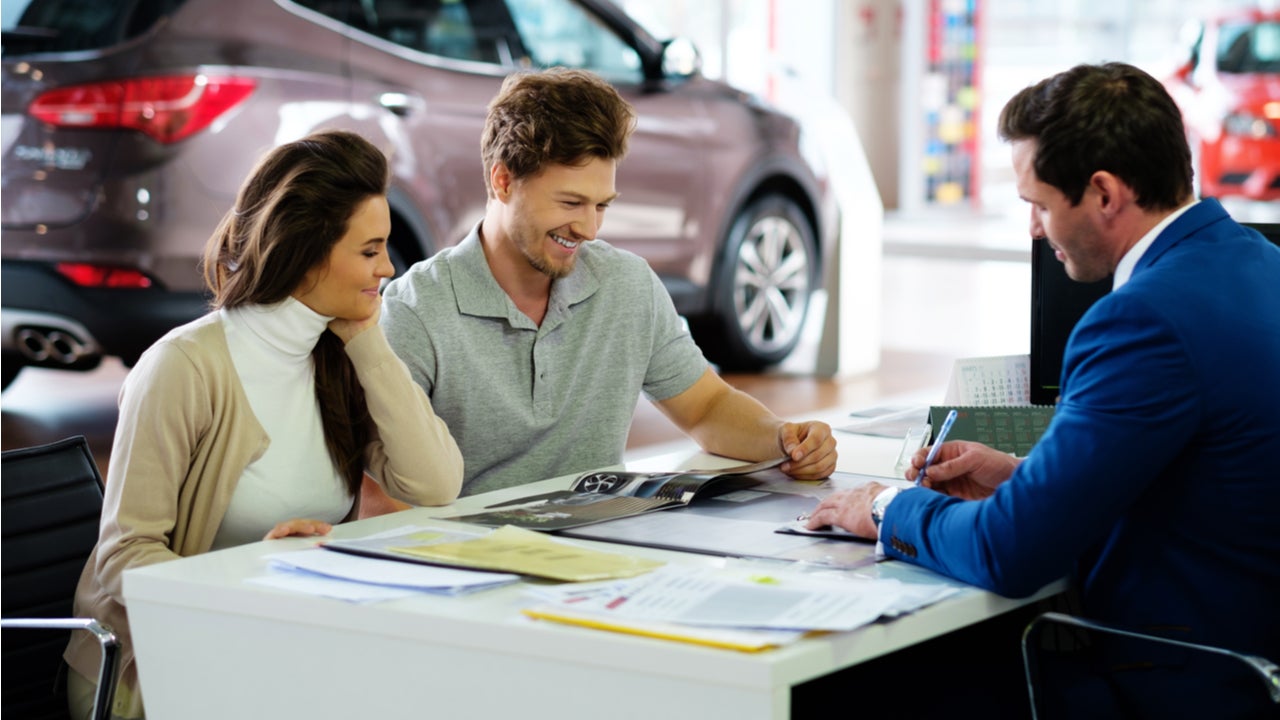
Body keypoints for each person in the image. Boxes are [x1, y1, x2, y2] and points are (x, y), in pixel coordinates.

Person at [806, 62, 1280, 718]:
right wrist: (1024, 477)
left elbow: (1011, 552)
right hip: (1253, 647)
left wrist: (888, 508)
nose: (1032, 227)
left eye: (1038, 203)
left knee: (866, 688)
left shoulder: (1141, 321)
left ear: (1104, 193)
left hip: (1185, 682)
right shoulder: (1259, 265)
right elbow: (1204, 472)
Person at [64, 130, 464, 719]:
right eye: (370, 249)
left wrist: (368, 342)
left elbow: (435, 484)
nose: (388, 267)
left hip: (278, 639)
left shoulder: (338, 351)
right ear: (306, 251)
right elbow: (124, 557)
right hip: (153, 669)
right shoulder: (185, 366)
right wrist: (251, 575)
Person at [380, 68, 836, 497]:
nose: (589, 229)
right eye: (570, 202)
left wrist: (784, 440)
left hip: (601, 554)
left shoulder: (626, 284)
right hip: (465, 561)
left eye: (601, 206)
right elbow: (384, 489)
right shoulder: (416, 310)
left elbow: (707, 407)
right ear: (502, 181)